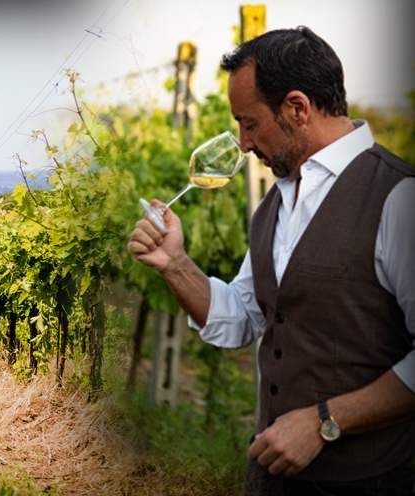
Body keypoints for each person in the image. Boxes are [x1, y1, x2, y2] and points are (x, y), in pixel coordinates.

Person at [127, 26, 415, 495]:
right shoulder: (274, 206)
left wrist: (325, 420)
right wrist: (174, 264)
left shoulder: (399, 199)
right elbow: (242, 318)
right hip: (271, 480)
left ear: (297, 109)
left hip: (367, 482)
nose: (242, 144)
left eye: (249, 123)